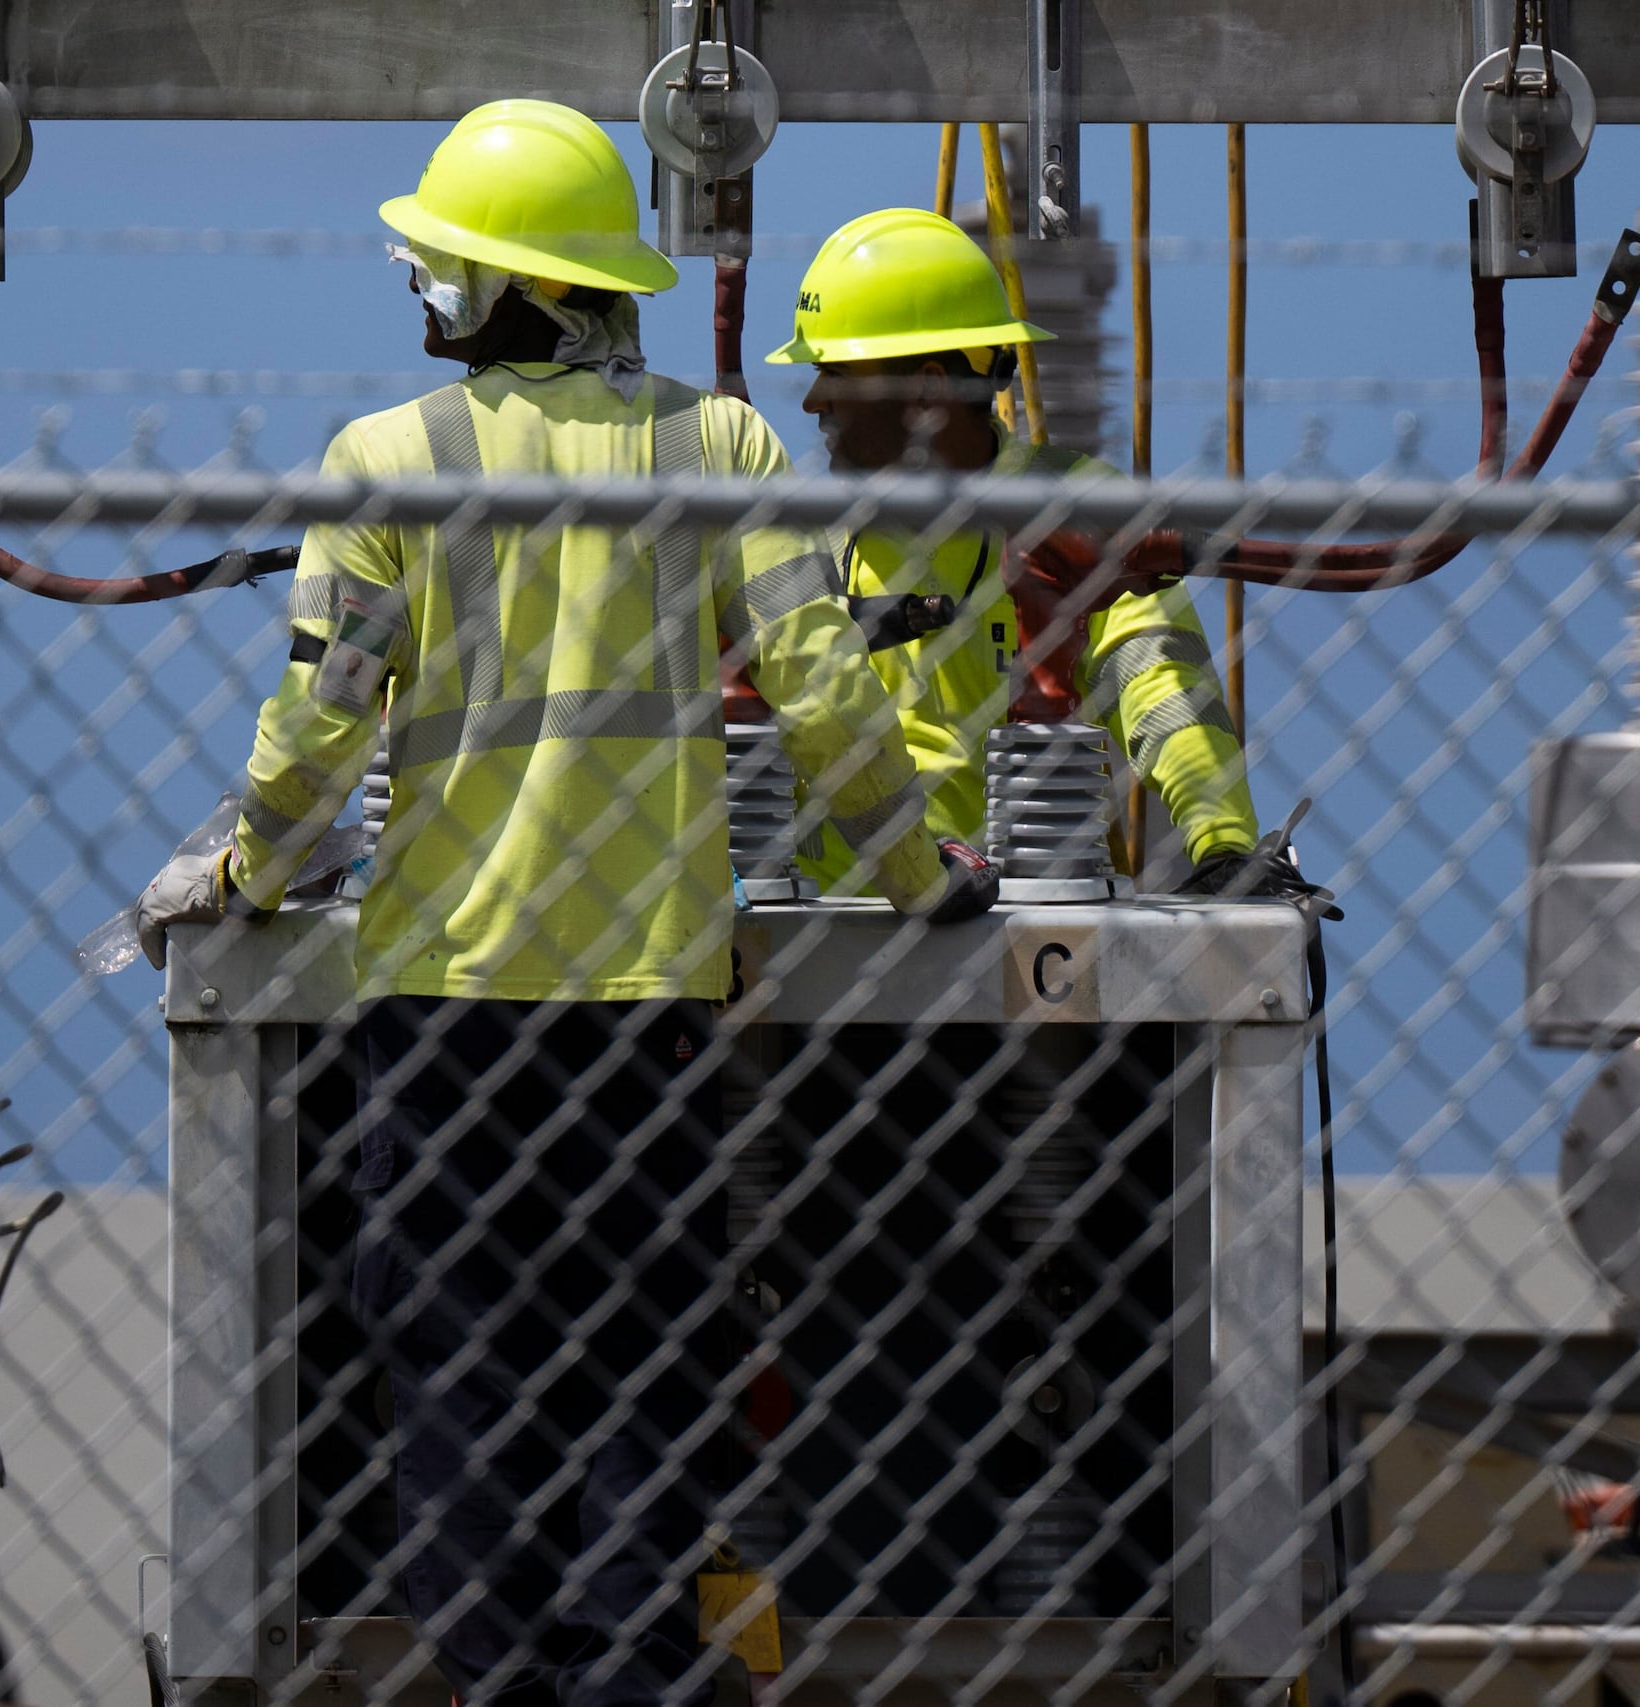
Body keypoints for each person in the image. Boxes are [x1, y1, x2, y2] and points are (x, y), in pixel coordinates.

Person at [134, 103, 995, 1707]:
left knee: (458, 1349)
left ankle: (497, 1670)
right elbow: (823, 691)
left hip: (448, 999)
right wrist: (914, 878)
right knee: (643, 1343)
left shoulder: (386, 460)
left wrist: (247, 872)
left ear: (505, 291)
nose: (426, 306)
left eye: (445, 276)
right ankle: (627, 1662)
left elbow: (320, 723)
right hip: (645, 995)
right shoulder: (719, 446)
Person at [764, 207, 1329, 906]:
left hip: (1008, 927)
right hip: (830, 935)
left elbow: (1156, 676)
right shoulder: (800, 528)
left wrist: (1223, 845)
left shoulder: (1071, 512)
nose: (814, 400)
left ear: (929, 390)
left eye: (838, 374)